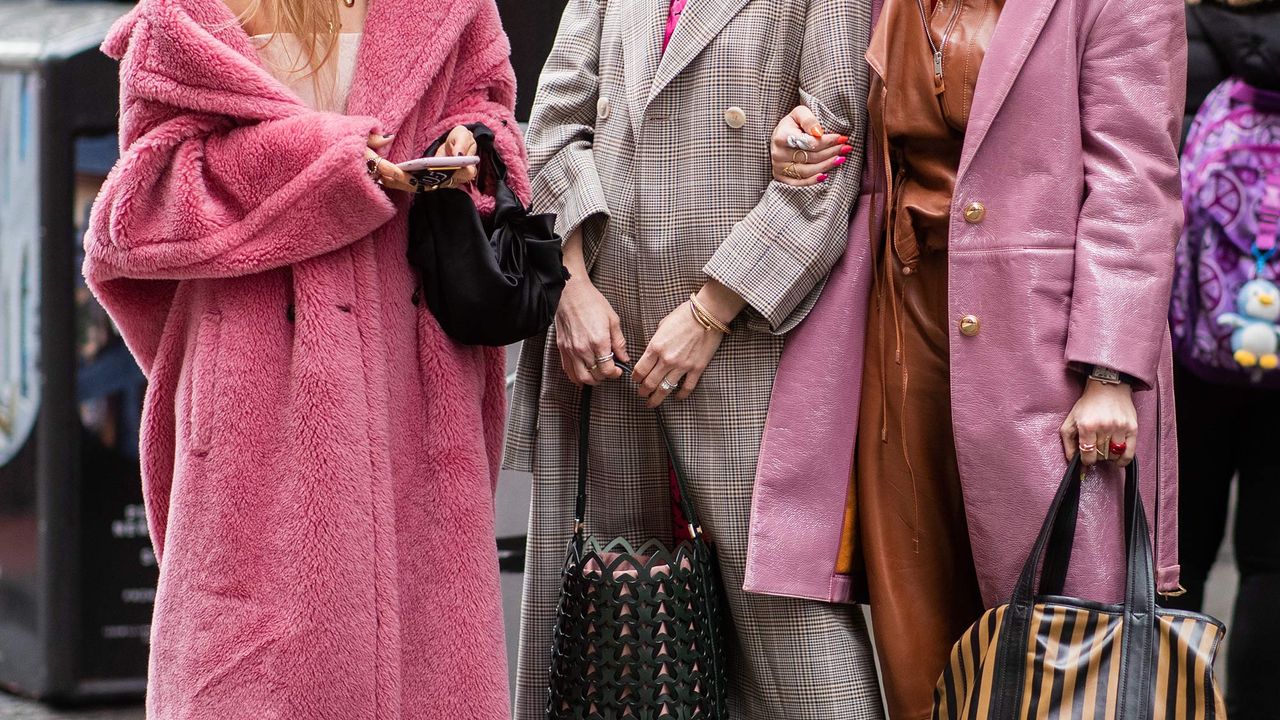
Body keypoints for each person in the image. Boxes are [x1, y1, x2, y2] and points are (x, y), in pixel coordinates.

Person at [82, 0, 524, 715]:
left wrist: (469, 146)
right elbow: (141, 205)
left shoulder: (453, 8)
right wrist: (329, 163)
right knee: (251, 672)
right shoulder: (186, 18)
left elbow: (493, 114)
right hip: (258, 379)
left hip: (409, 375)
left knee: (428, 665)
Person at [754, 0, 1187, 717]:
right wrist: (800, 142)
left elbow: (1136, 183)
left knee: (1062, 652)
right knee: (918, 642)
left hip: (1047, 352)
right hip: (899, 334)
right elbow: (854, 133)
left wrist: (1110, 371)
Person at [505, 1, 884, 717]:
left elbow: (834, 149)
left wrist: (712, 309)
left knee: (804, 668)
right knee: (616, 666)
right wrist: (571, 289)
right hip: (603, 353)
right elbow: (552, 126)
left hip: (745, 351)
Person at [1165, 1, 1280, 716]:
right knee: (1273, 560)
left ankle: (1171, 702)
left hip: (1186, 333)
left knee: (1179, 552)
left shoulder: (1173, 29)